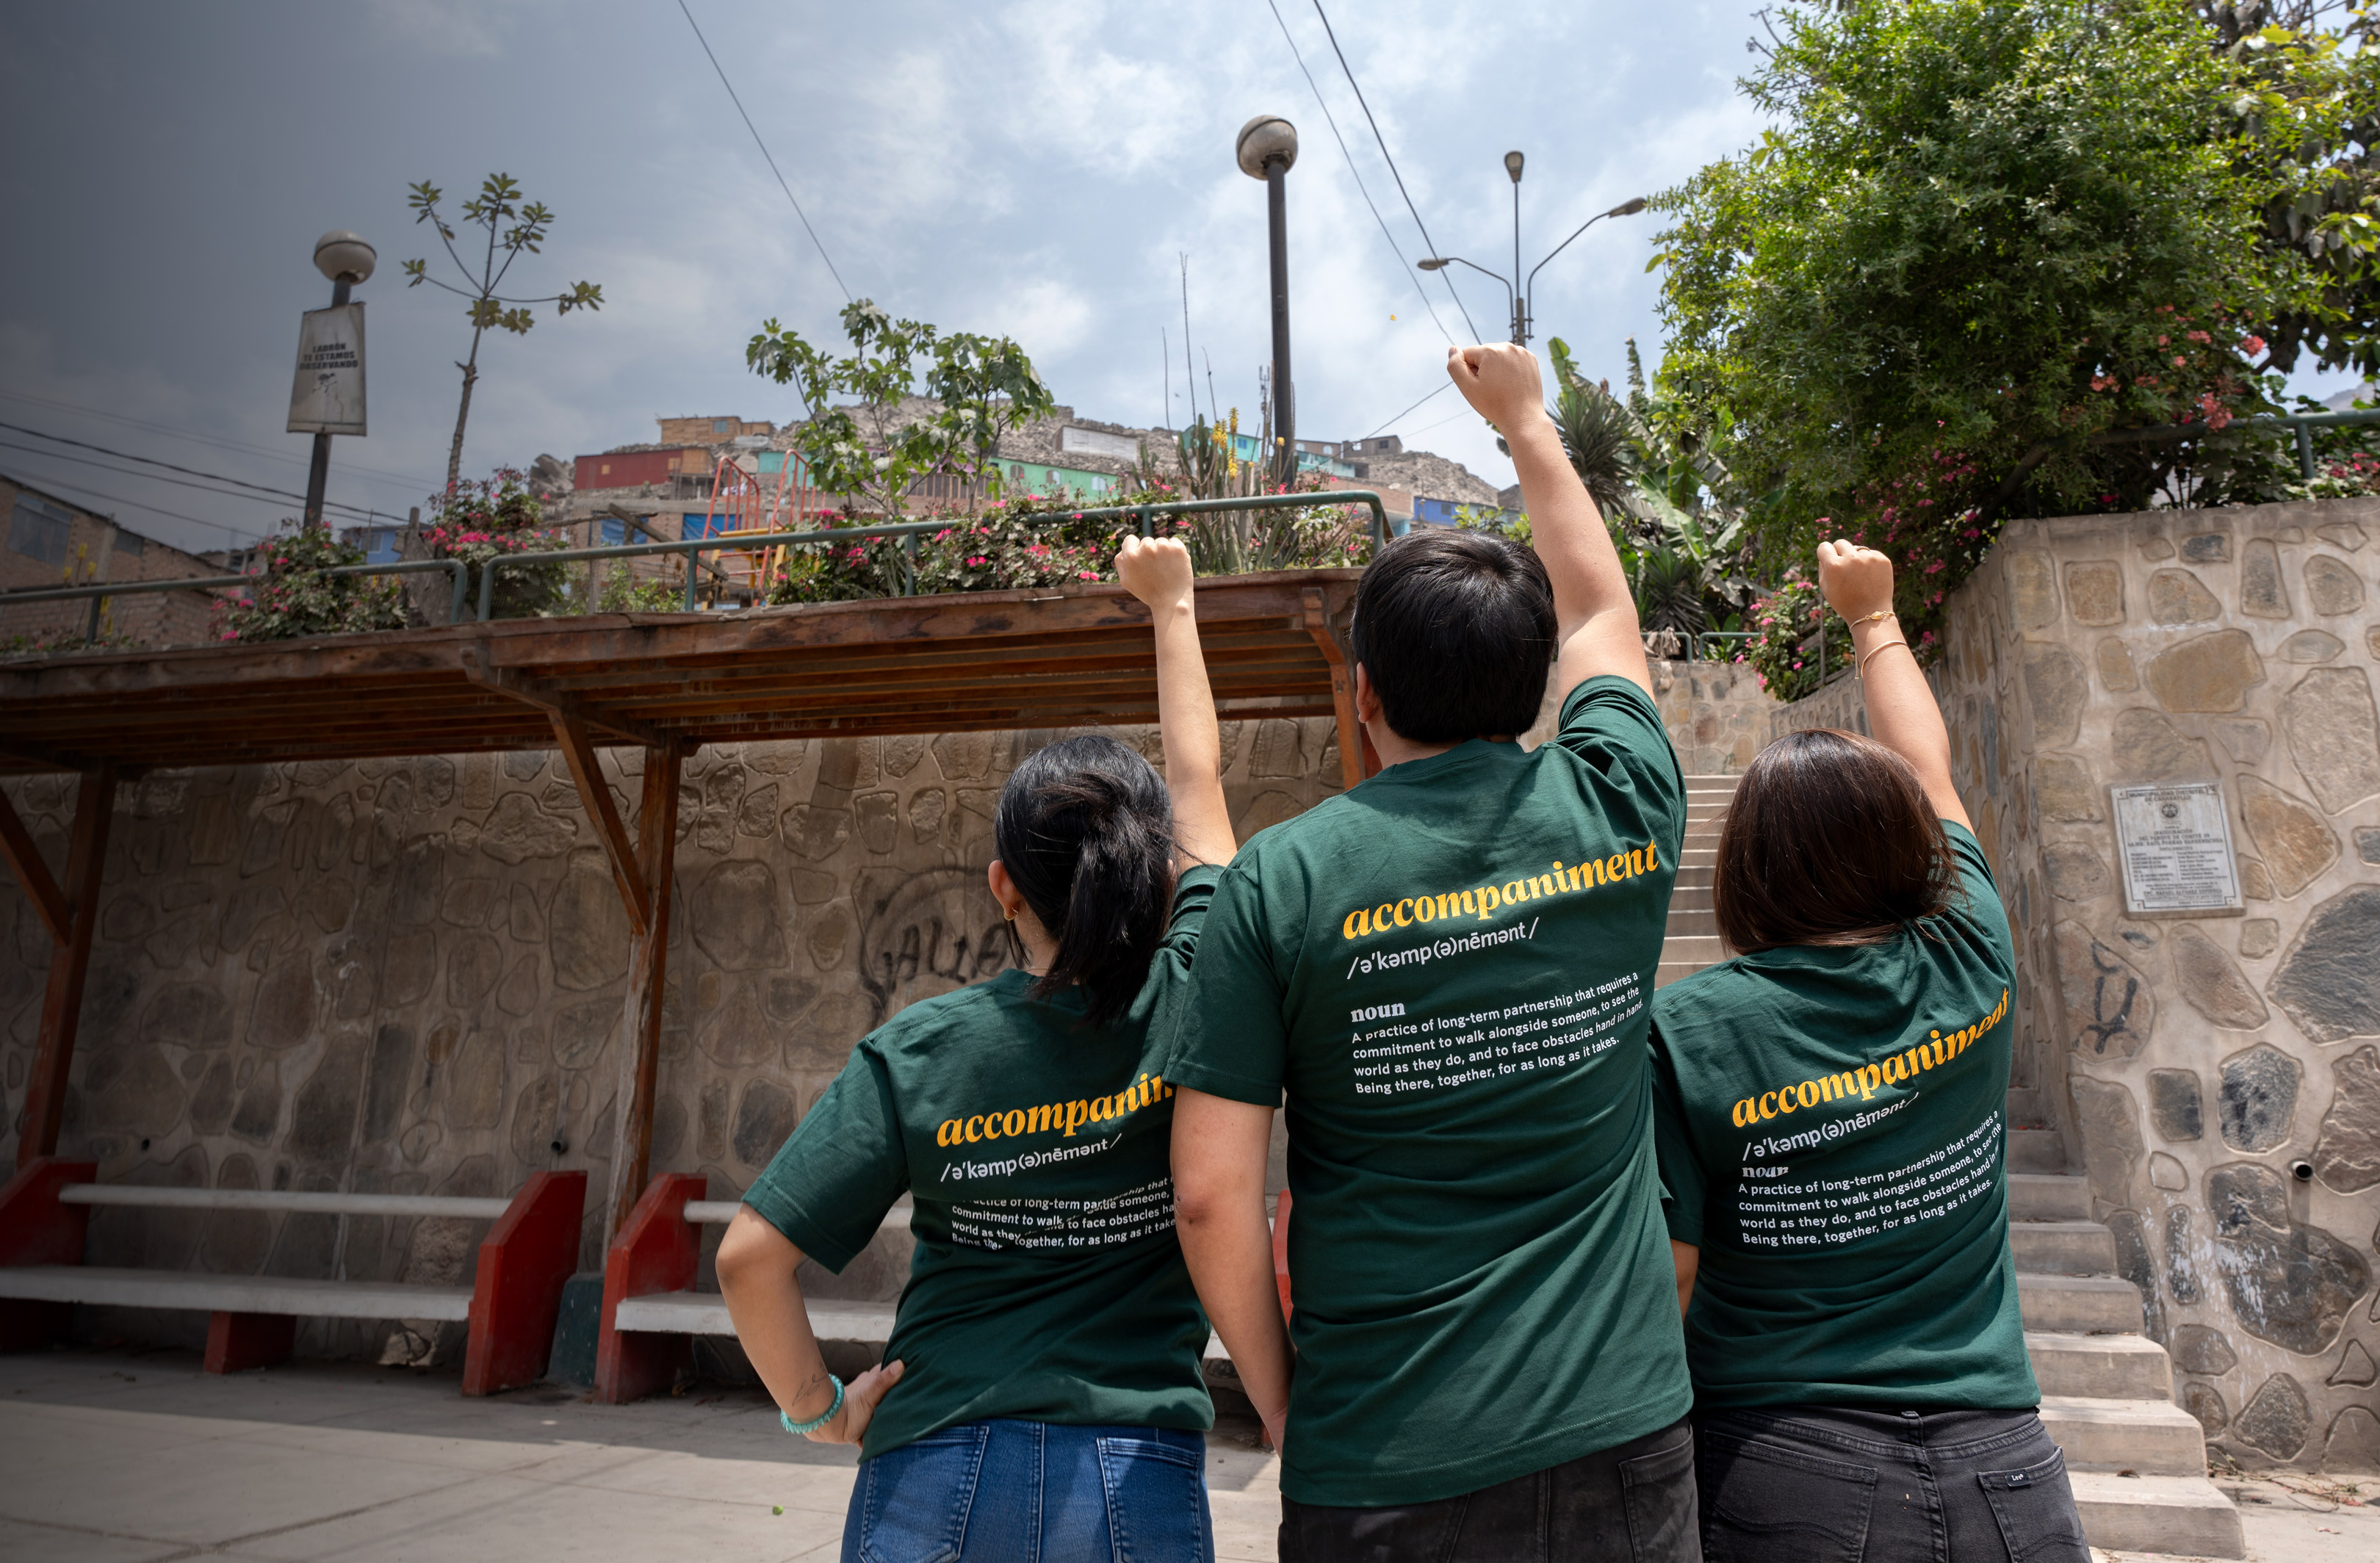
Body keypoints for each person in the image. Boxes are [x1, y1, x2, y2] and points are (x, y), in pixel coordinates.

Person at [1165, 342, 1700, 1562]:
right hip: (1624, 1441)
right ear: (1532, 685)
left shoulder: (1276, 883)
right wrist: (1524, 420)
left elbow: (1210, 1194)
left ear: (1362, 693)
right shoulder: (1621, 798)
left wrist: (1285, 1396)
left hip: (1385, 1455)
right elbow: (1606, 610)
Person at [715, 535, 1239, 1563]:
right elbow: (1201, 789)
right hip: (1134, 1473)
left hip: (933, 1467)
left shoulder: (920, 1049)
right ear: (1160, 880)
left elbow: (749, 1260)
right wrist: (1173, 605)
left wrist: (819, 1410)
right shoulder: (1196, 993)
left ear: (1003, 889)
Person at [1650, 539, 2088, 1562]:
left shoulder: (1691, 1031)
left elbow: (1670, 1280)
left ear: (1747, 869)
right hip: (2012, 1477)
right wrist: (1875, 616)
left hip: (1780, 1469)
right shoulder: (1972, 949)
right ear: (1908, 851)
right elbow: (1929, 769)